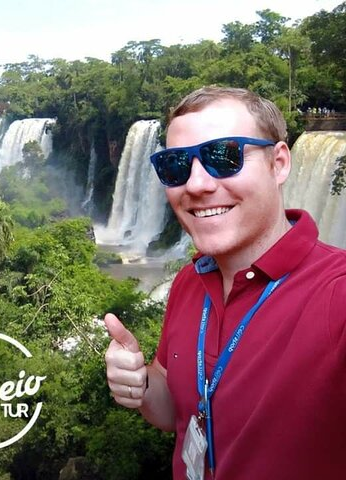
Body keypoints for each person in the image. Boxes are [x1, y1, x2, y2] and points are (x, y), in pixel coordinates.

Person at [104, 86, 346, 479]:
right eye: (176, 165)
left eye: (224, 157)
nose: (196, 184)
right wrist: (142, 384)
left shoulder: (336, 295)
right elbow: (173, 408)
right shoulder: (189, 280)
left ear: (279, 163)